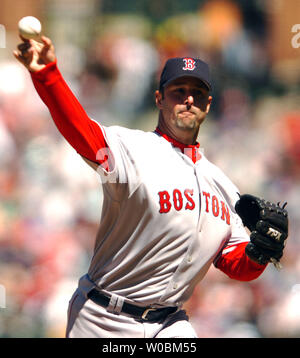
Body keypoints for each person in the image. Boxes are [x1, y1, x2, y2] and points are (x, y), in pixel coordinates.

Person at [13, 35, 286, 338]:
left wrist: (259, 252)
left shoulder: (223, 185)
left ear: (208, 105)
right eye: (178, 91)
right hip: (104, 318)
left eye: (197, 91)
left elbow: (235, 264)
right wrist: (47, 74)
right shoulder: (131, 149)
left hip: (170, 324)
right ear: (159, 98)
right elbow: (79, 129)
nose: (188, 98)